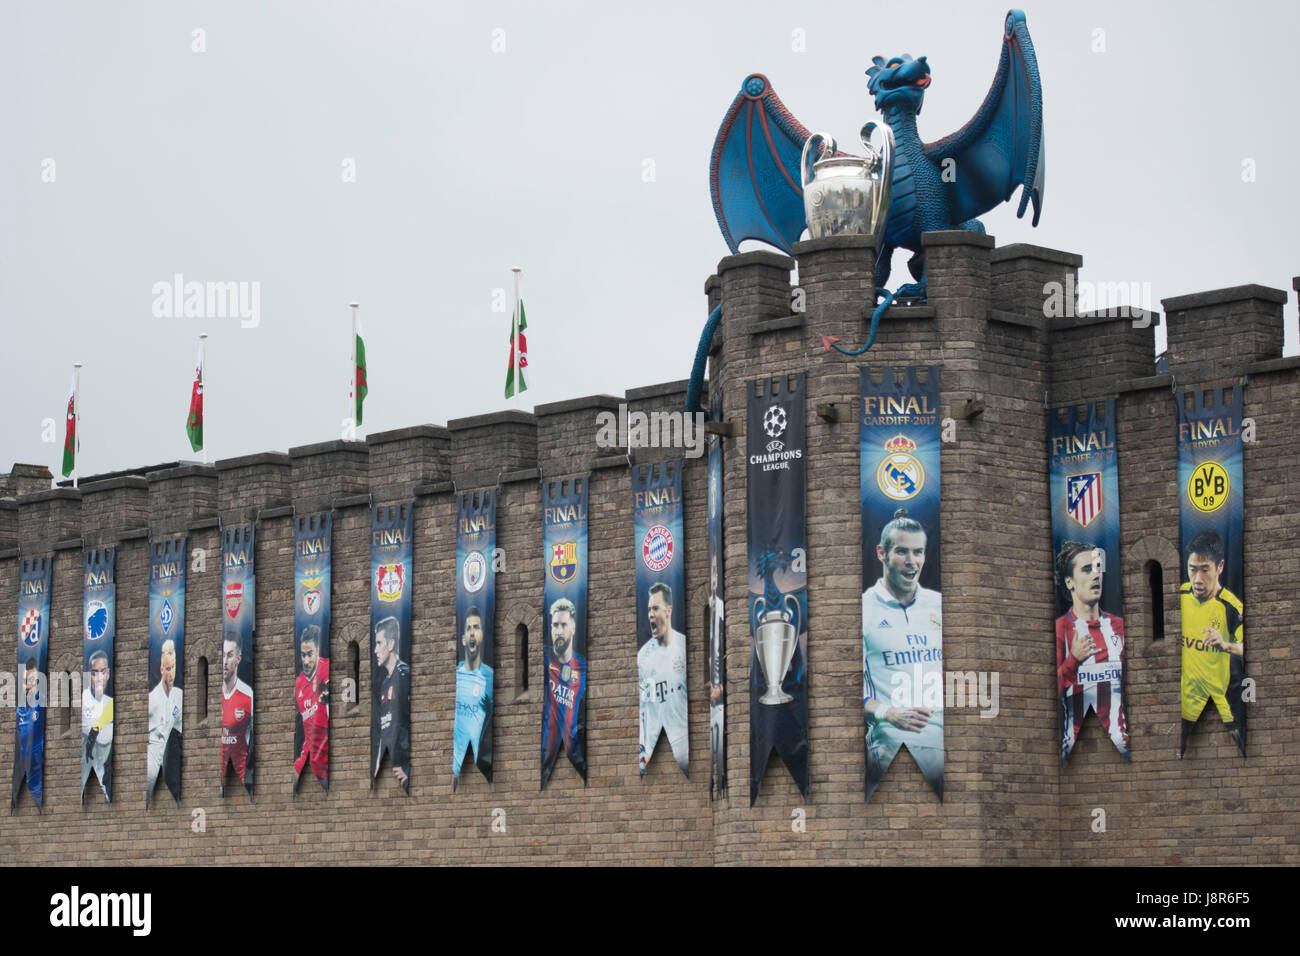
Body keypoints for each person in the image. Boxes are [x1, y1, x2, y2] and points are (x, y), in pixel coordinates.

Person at [862, 510, 943, 794]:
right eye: (902, 552)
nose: (912, 562)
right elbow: (844, 695)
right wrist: (889, 713)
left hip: (948, 754)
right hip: (888, 751)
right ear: (881, 553)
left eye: (918, 552)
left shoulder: (940, 605)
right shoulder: (862, 610)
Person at [1054, 541, 1128, 763]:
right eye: (1087, 569)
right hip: (1073, 748)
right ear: (1070, 582)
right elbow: (1049, 690)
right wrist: (1073, 660)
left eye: (1098, 567)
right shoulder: (1060, 629)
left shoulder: (1118, 627)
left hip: (1123, 743)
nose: (1096, 575)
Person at [1179, 530, 1245, 756]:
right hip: (1186, 708)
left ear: (1220, 567)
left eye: (1205, 569)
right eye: (1192, 569)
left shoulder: (1231, 606)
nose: (1197, 579)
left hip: (1223, 707)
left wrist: (1226, 644)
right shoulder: (1181, 596)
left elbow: (1247, 647)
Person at [638, 583, 688, 773]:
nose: (651, 614)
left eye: (656, 608)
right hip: (653, 746)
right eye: (649, 609)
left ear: (669, 611)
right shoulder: (643, 657)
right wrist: (644, 746)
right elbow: (645, 707)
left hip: (684, 741)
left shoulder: (682, 646)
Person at [542, 598, 585, 767]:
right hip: (546, 749)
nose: (558, 631)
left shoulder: (581, 666)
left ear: (573, 628)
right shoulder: (544, 660)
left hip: (575, 747)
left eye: (563, 625)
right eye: (554, 625)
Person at [453, 606, 494, 781]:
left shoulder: (488, 676)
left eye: (476, 628)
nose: (472, 633)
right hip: (457, 760)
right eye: (468, 628)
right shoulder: (456, 673)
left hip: (480, 757)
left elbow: (491, 715)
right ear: (463, 639)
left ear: (481, 636)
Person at [372, 616, 410, 788]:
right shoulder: (385, 683)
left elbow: (407, 721)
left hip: (403, 769)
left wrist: (407, 770)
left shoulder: (403, 675)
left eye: (379, 643)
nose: (375, 650)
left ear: (391, 644)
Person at [147, 639, 182, 803]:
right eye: (168, 668)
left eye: (173, 667)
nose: (171, 673)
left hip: (168, 761)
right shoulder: (153, 700)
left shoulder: (178, 696)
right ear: (161, 670)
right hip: (151, 763)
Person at [294, 625, 329, 783]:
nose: (306, 661)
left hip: (328, 762)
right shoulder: (299, 683)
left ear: (318, 650)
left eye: (310, 654)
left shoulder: (325, 669)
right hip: (310, 758)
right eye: (303, 655)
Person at [220, 633, 253, 793]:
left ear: (238, 658)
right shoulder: (215, 696)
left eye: (230, 655)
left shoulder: (247, 695)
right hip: (219, 777)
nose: (225, 662)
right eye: (223, 655)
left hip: (242, 776)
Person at [81, 649, 114, 798]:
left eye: (102, 672)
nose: (99, 678)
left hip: (104, 778)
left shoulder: (110, 704)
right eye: (94, 673)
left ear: (108, 674)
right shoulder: (83, 700)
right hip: (83, 778)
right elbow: (101, 737)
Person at [14, 657, 44, 806]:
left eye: (31, 680)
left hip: (38, 778)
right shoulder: (20, 709)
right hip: (24, 772)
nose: (28, 685)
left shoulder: (41, 703)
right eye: (26, 681)